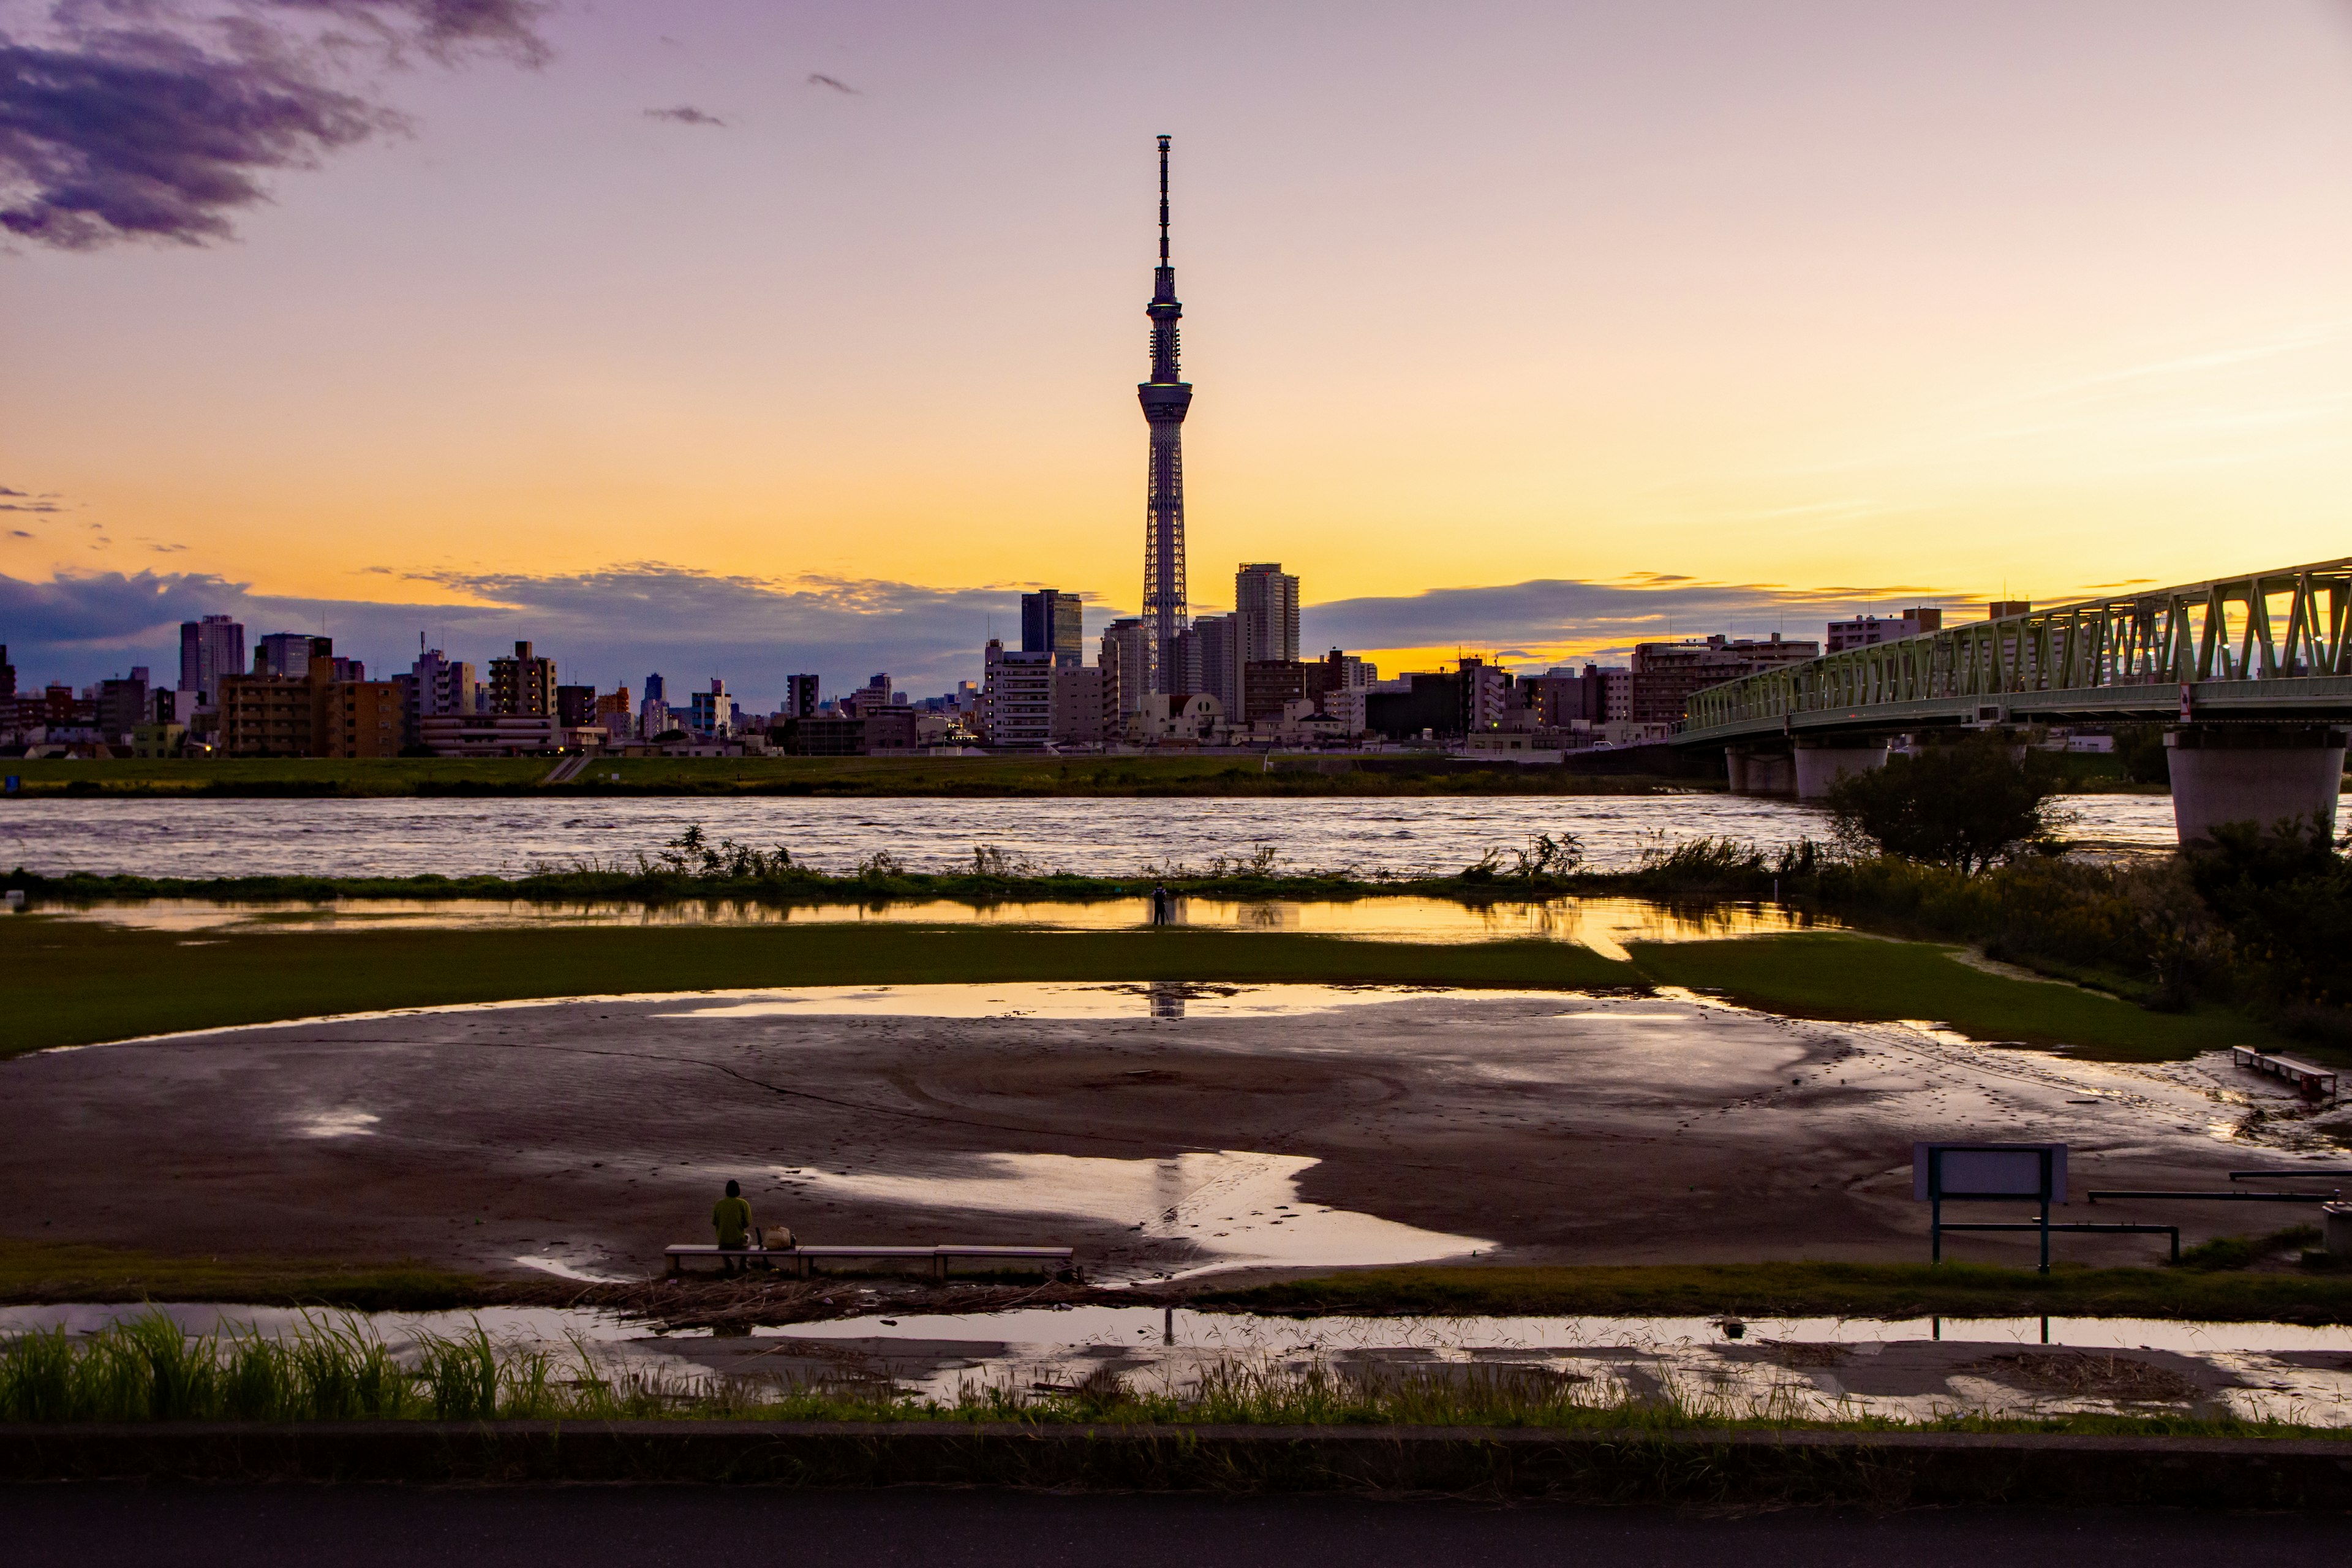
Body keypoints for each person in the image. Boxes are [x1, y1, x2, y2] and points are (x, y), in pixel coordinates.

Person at [712, 1179, 753, 1276]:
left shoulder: (719, 1204)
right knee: (749, 1238)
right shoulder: (743, 1204)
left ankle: (729, 1264)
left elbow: (714, 1222)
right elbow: (747, 1223)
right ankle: (744, 1264)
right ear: (738, 1191)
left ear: (726, 1191)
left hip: (723, 1242)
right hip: (738, 1242)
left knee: (723, 1240)